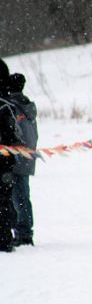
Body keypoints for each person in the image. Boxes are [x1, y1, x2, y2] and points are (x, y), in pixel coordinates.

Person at [7, 73, 38, 246]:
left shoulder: (12, 106)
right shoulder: (27, 105)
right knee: (21, 196)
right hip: (27, 157)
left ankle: (24, 232)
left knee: (18, 197)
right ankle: (22, 230)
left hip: (15, 158)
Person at [0, 58, 24, 253]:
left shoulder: (5, 107)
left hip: (3, 163)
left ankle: (5, 238)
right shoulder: (5, 107)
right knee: (5, 202)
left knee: (5, 202)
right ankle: (5, 238)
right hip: (4, 163)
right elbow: (15, 136)